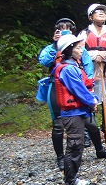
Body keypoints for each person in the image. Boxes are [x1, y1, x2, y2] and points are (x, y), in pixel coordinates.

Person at [51, 34, 106, 185]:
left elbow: (83, 88)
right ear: (69, 50)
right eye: (78, 48)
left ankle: (72, 179)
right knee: (75, 146)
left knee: (76, 145)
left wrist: (91, 100)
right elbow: (79, 90)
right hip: (72, 113)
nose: (81, 50)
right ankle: (70, 182)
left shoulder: (73, 65)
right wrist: (93, 101)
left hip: (78, 111)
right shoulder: (68, 69)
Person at [38, 18, 95, 169]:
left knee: (90, 121)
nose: (64, 31)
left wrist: (88, 87)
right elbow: (43, 61)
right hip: (55, 87)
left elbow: (88, 67)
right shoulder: (53, 47)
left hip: (77, 86)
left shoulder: (78, 48)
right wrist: (55, 45)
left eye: (68, 29)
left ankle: (99, 149)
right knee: (57, 125)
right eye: (61, 28)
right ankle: (60, 157)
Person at [78, 3, 106, 143]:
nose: (102, 13)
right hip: (90, 71)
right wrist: (95, 55)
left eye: (103, 11)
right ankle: (87, 133)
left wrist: (104, 56)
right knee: (88, 100)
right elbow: (79, 52)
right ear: (90, 16)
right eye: (97, 11)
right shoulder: (84, 33)